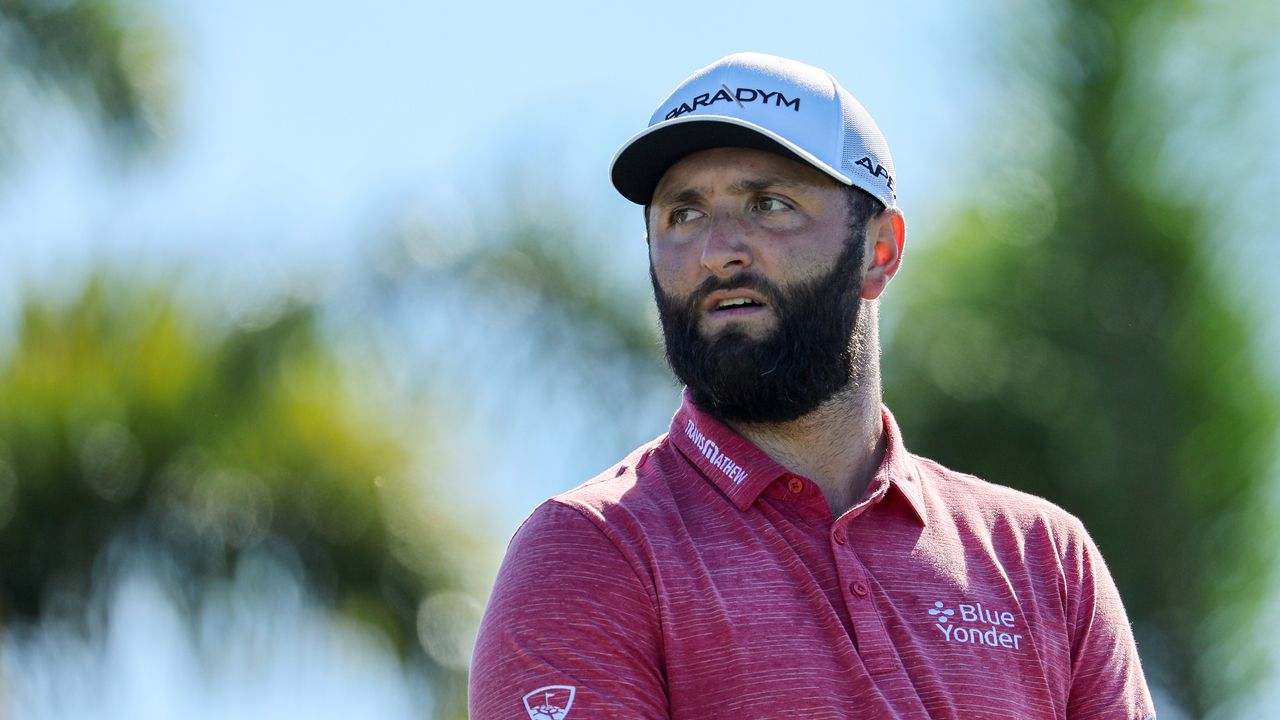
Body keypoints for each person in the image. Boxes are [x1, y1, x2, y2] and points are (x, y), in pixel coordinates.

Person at [469, 52, 1155, 720]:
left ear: (879, 250)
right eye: (683, 215)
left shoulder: (1043, 558)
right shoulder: (590, 552)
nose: (718, 250)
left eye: (769, 204)